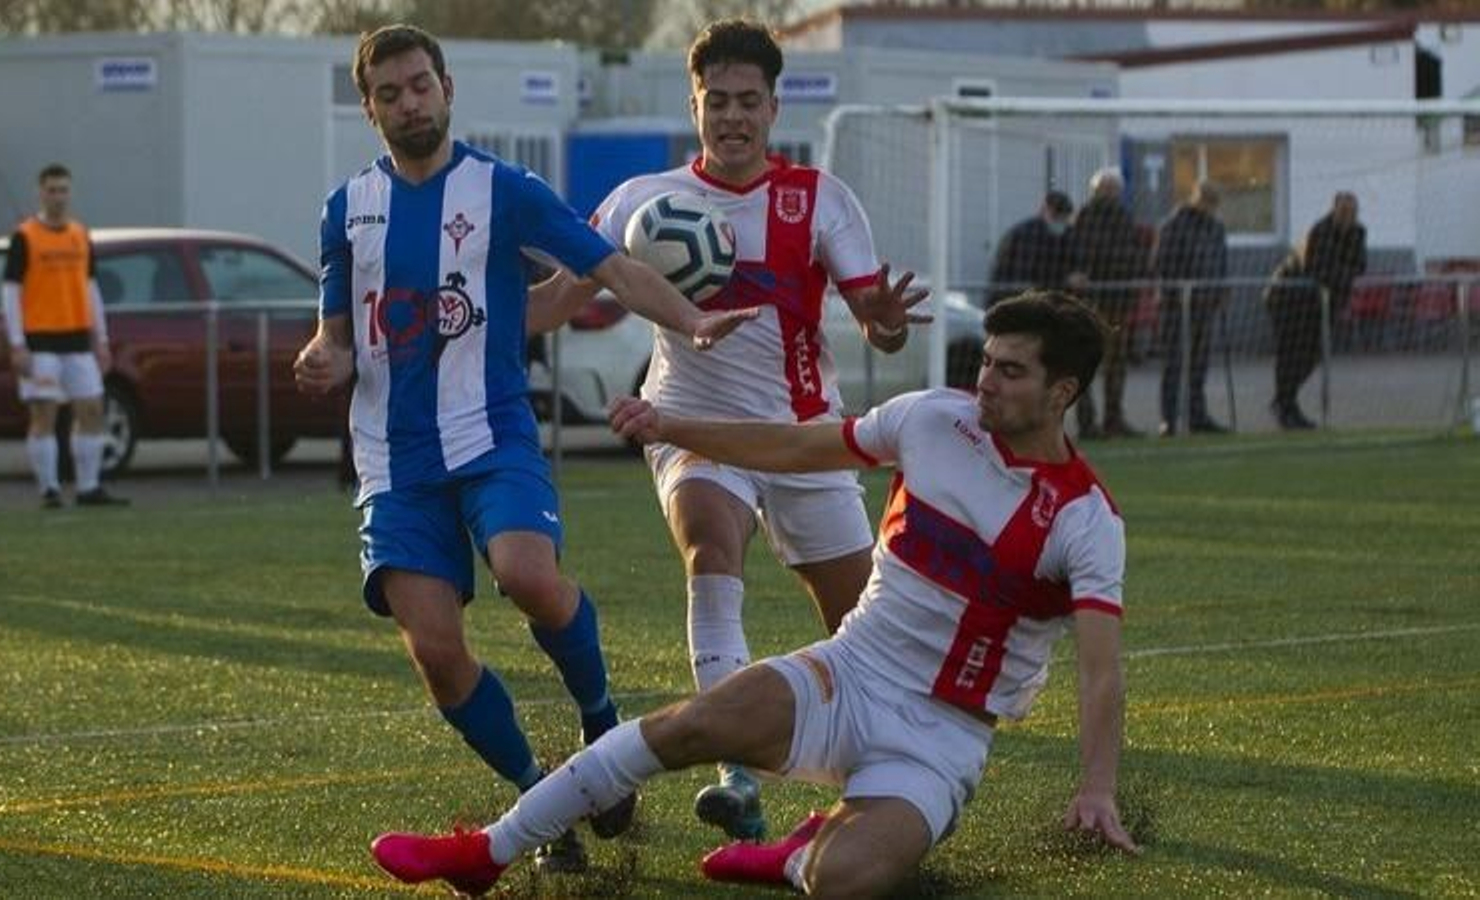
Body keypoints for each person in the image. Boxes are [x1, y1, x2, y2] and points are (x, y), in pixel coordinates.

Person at [367, 291, 1137, 897]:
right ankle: (488, 850)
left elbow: (1102, 670)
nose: (986, 383)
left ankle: (798, 857)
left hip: (942, 740)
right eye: (988, 362)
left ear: (1062, 391)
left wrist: (1097, 788)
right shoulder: (935, 419)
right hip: (852, 670)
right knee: (692, 725)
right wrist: (674, 423)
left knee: (845, 881)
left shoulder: (1084, 518)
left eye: (1011, 371)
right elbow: (796, 444)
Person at [293, 24, 756, 874]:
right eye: (389, 93)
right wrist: (322, 358)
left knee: (528, 576)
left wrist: (689, 321)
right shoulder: (344, 210)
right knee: (435, 651)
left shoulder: (504, 190)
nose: (408, 102)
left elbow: (610, 268)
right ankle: (546, 797)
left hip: (491, 431)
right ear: (369, 107)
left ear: (447, 86)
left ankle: (601, 718)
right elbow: (337, 336)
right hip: (394, 464)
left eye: (419, 85)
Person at [529, 17, 928, 842]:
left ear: (775, 108)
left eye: (750, 102)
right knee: (710, 547)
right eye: (719, 101)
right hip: (692, 427)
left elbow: (877, 323)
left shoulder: (818, 198)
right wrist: (466, 312)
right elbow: (555, 306)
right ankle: (735, 772)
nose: (734, 117)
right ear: (696, 103)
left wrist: (887, 325)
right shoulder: (642, 202)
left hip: (804, 436)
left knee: (857, 621)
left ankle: (891, 772)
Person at [0, 163, 128, 509]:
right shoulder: (25, 237)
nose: (58, 197)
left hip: (76, 339)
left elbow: (90, 288)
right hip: (40, 341)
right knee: (45, 415)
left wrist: (100, 338)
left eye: (63, 190)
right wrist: (17, 343)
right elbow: (11, 293)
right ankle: (49, 489)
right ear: (40, 192)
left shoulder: (79, 235)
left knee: (91, 409)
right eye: (52, 190)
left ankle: (88, 486)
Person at [1265, 192, 1366, 430]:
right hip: (1288, 299)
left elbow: (1359, 265)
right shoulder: (1320, 231)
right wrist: (1343, 275)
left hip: (1320, 304)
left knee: (1315, 354)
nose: (1348, 217)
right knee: (1290, 354)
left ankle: (1284, 400)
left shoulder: (1358, 232)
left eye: (1352, 213)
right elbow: (1318, 270)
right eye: (1343, 212)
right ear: (1334, 211)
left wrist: (1340, 275)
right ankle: (1286, 407)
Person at [1071, 167, 1149, 439]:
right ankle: (1087, 422)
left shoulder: (1123, 217)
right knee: (1087, 362)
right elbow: (1085, 254)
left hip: (1120, 302)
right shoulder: (1085, 217)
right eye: (1108, 189)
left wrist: (1135, 272)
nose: (1112, 194)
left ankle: (1114, 419)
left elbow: (1135, 254)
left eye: (1115, 189)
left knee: (1117, 363)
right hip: (1093, 303)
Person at [1152, 180, 1228, 436]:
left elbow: (1221, 262)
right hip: (1176, 306)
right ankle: (1169, 419)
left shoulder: (1216, 228)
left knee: (1199, 364)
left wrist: (1221, 289)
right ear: (1198, 199)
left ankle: (1197, 415)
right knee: (1173, 363)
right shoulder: (1173, 225)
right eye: (1210, 203)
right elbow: (1162, 264)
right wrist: (1184, 291)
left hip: (1205, 306)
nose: (1213, 209)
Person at [987, 190, 1076, 308]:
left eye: (1064, 217)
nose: (1060, 220)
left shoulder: (1068, 235)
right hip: (1020, 298)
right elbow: (1031, 272)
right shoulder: (1023, 235)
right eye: (1056, 215)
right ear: (1045, 210)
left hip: (1031, 300)